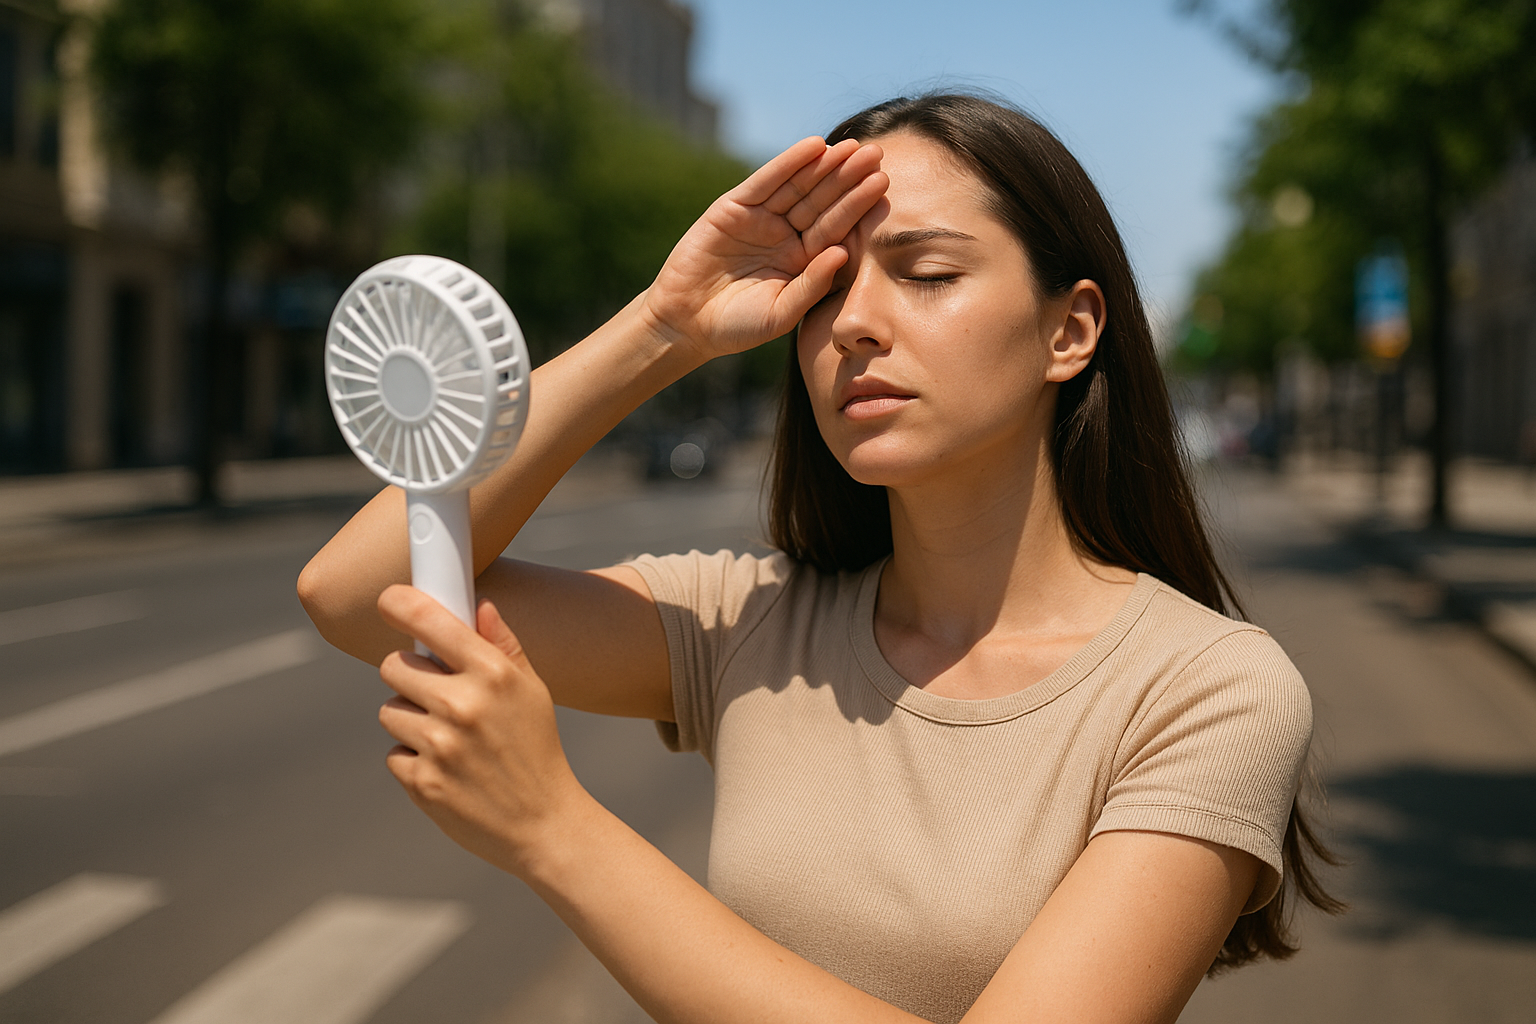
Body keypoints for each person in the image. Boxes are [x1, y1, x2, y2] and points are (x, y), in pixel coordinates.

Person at [298, 93, 1339, 1024]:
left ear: (1069, 331)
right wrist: (665, 327)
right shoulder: (754, 620)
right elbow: (359, 596)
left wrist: (555, 830)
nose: (855, 326)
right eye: (823, 291)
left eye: (927, 275)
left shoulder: (1211, 690)